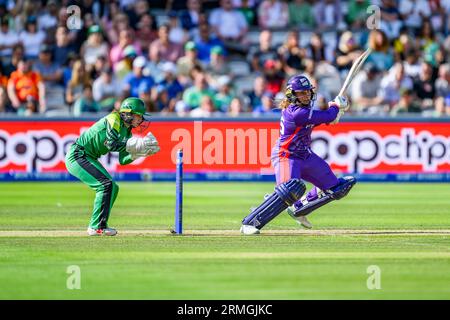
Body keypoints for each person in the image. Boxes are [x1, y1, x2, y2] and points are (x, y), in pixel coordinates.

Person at [240, 75, 356, 235]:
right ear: (292, 94)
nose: (306, 95)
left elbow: (325, 119)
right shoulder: (295, 113)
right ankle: (250, 222)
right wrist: (335, 108)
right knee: (290, 189)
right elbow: (326, 116)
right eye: (301, 93)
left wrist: (334, 113)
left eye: (307, 92)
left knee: (337, 188)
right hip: (286, 156)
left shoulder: (305, 111)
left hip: (305, 155)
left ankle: (299, 209)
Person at [65, 97, 160, 236]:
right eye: (138, 115)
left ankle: (100, 224)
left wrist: (139, 153)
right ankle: (96, 226)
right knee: (106, 184)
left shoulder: (127, 132)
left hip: (88, 157)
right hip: (78, 155)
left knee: (113, 187)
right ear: (128, 113)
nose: (141, 119)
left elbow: (123, 160)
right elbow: (111, 144)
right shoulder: (114, 118)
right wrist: (136, 145)